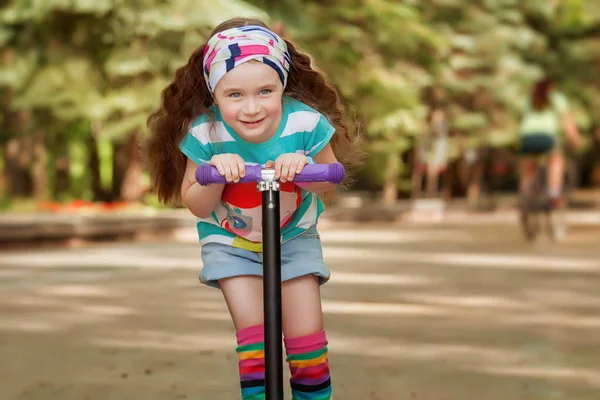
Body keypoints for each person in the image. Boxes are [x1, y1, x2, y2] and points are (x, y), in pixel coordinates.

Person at [143, 17, 362, 400]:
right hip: (230, 243)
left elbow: (330, 178)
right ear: (215, 95)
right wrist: (214, 175)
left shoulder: (304, 122)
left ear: (282, 86)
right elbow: (195, 203)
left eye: (265, 91)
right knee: (257, 340)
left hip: (293, 238)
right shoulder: (206, 133)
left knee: (307, 342)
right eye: (235, 95)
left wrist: (303, 168)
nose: (252, 108)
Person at [518, 77, 582, 208]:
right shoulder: (556, 98)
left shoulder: (529, 99)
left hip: (527, 137)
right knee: (556, 159)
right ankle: (553, 193)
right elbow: (567, 123)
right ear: (550, 87)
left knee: (529, 167)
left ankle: (525, 195)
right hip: (546, 136)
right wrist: (574, 139)